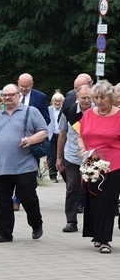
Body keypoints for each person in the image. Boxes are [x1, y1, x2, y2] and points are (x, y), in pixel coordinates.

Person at [0, 84, 48, 243]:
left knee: (28, 197)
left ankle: (36, 224)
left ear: (19, 95)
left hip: (25, 165)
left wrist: (30, 140)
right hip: (1, 167)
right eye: (5, 95)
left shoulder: (31, 112)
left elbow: (44, 131)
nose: (7, 97)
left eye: (11, 95)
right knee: (2, 202)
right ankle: (4, 233)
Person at [76, 80, 120, 254]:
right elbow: (81, 135)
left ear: (111, 97)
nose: (99, 102)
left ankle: (105, 240)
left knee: (107, 201)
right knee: (93, 199)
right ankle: (96, 234)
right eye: (96, 98)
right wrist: (83, 149)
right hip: (92, 163)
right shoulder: (88, 114)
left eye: (102, 98)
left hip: (114, 165)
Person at [56, 85, 92, 233]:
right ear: (77, 97)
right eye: (83, 97)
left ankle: (92, 221)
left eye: (89, 97)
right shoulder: (68, 112)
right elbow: (62, 135)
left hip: (92, 157)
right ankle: (71, 221)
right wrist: (58, 158)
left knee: (91, 189)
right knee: (72, 188)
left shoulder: (97, 112)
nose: (87, 100)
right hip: (72, 156)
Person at [47, 92, 64, 182]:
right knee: (51, 155)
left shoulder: (65, 110)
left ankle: (63, 173)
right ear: (52, 101)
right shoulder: (48, 109)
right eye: (56, 101)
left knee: (62, 155)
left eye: (59, 101)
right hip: (51, 135)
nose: (57, 103)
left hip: (62, 135)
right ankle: (52, 175)